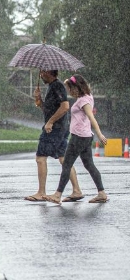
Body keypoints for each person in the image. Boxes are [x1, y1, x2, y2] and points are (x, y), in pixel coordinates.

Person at [44, 75, 108, 204]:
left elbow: (91, 117)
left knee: (67, 164)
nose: (68, 91)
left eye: (69, 88)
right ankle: (101, 193)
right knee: (89, 165)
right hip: (84, 136)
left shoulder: (84, 101)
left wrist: (100, 134)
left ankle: (57, 195)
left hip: (79, 137)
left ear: (76, 87)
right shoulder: (86, 97)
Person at [25, 70, 82, 202]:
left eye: (42, 73)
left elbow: (65, 106)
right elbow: (48, 110)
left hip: (55, 129)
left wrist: (50, 122)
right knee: (64, 159)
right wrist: (38, 100)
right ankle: (77, 190)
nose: (40, 75)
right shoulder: (52, 87)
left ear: (48, 72)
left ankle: (41, 192)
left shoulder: (57, 86)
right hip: (59, 128)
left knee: (40, 158)